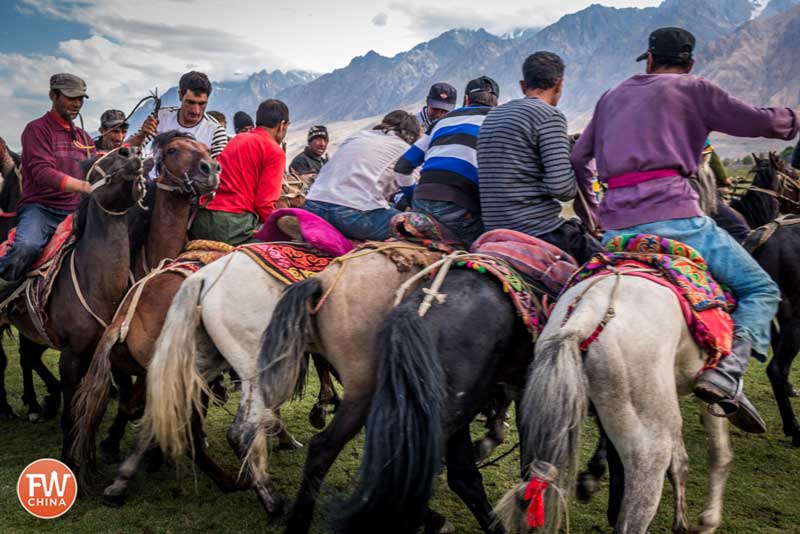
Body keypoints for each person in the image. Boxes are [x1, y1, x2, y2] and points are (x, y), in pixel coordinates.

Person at [571, 27, 799, 433]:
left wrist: (596, 211)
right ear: (689, 63)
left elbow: (578, 157)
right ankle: (727, 373)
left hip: (616, 230)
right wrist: (794, 118)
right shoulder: (695, 88)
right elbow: (761, 122)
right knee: (761, 289)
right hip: (679, 221)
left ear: (650, 60)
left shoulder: (610, 96)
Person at [478, 52, 602, 264]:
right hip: (539, 229)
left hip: (493, 227)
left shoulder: (493, 116)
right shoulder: (549, 116)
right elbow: (562, 189)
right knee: (605, 264)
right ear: (559, 83)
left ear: (522, 84)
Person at [0, 73, 95, 298]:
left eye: (80, 98)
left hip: (76, 211)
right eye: (71, 97)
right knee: (27, 246)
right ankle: (3, 293)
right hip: (41, 209)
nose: (77, 103)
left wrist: (138, 140)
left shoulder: (83, 137)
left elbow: (98, 163)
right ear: (53, 95)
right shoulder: (36, 130)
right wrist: (84, 186)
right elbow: (42, 172)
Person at [395, 76, 499, 245]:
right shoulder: (500, 120)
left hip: (421, 204)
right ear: (496, 103)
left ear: (466, 100)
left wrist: (413, 198)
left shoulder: (442, 122)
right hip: (460, 211)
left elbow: (402, 167)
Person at [303, 111, 420, 241]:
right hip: (351, 215)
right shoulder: (405, 148)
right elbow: (414, 185)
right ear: (412, 137)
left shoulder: (357, 136)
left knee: (387, 208)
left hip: (312, 205)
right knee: (418, 225)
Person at [189, 100, 289, 245]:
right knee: (287, 244)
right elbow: (264, 205)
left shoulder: (238, 138)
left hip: (201, 219)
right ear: (282, 125)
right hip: (233, 225)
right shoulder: (275, 152)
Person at [128, 71, 227, 160]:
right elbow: (127, 150)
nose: (196, 111)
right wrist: (142, 134)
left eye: (202, 104)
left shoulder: (215, 131)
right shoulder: (161, 117)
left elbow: (220, 170)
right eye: (190, 102)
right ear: (180, 95)